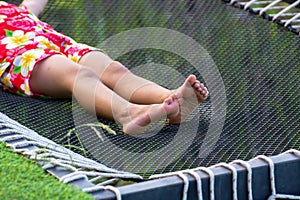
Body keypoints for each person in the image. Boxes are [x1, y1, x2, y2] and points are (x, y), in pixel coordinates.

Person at [0, 0, 209, 134]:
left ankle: (170, 99)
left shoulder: (13, 10)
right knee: (79, 75)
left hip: (60, 44)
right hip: (21, 59)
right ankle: (127, 113)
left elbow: (32, 5)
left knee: (114, 70)